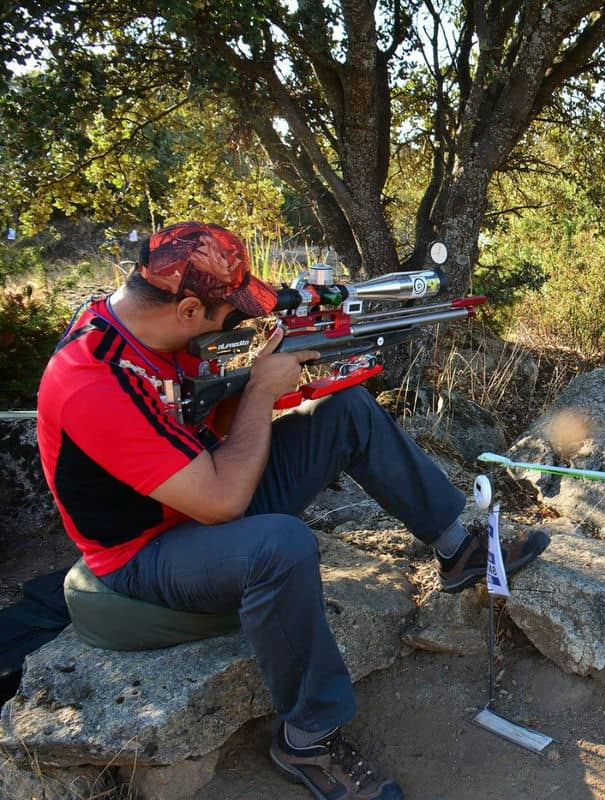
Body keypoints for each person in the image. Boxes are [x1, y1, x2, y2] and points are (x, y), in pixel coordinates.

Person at [36, 221, 549, 800]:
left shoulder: (151, 331)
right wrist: (258, 392)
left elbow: (206, 426)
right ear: (184, 310)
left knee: (346, 410)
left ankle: (459, 549)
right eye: (227, 313)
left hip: (196, 492)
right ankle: (307, 737)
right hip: (144, 551)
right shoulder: (92, 382)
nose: (238, 322)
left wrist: (283, 380)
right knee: (280, 545)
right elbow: (224, 501)